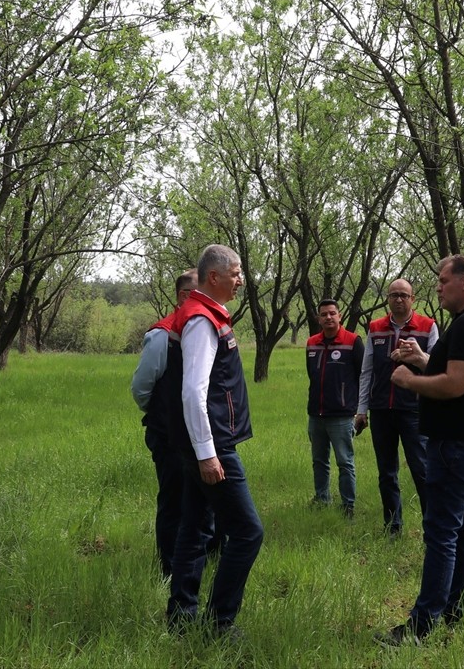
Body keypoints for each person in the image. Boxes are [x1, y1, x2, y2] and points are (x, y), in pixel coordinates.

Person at [375, 255, 464, 646]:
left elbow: (456, 384)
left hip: (457, 442)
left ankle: (421, 625)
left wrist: (408, 379)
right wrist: (421, 359)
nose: (438, 287)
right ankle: (457, 607)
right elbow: (463, 372)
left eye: (443, 280)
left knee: (441, 533)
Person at [165, 245, 263, 640]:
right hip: (212, 446)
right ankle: (219, 623)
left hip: (204, 443)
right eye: (236, 273)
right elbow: (193, 392)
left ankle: (181, 616)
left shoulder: (206, 313)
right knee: (248, 532)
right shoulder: (201, 321)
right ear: (214, 277)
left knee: (195, 528)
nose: (241, 280)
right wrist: (207, 454)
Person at [355, 278, 439, 536]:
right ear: (388, 299)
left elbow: (437, 366)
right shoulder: (376, 328)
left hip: (415, 410)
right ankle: (393, 526)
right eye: (394, 295)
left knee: (422, 470)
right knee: (386, 473)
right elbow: (366, 371)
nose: (399, 299)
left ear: (413, 299)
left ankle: (433, 528)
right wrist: (361, 409)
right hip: (381, 410)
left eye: (404, 295)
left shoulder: (427, 326)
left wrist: (416, 357)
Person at [130, 269, 198, 578]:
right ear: (184, 296)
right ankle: (170, 568)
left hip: (200, 435)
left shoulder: (204, 328)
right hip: (168, 435)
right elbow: (141, 388)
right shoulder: (163, 334)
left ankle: (203, 558)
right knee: (173, 499)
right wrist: (163, 413)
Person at [305, 299, 365, 516]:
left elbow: (363, 377)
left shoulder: (353, 341)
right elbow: (312, 375)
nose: (328, 317)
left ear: (340, 316)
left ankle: (348, 505)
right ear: (318, 318)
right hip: (316, 414)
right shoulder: (312, 343)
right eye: (324, 314)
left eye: (332, 313)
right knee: (319, 461)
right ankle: (322, 499)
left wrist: (360, 409)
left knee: (344, 461)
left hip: (341, 415)